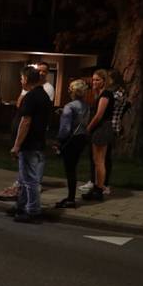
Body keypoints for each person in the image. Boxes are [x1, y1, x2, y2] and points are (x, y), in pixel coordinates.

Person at [9, 66, 52, 223]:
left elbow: (25, 122)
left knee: (29, 179)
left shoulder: (32, 97)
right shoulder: (44, 96)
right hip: (38, 142)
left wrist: (17, 145)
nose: (20, 81)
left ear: (26, 79)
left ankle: (33, 210)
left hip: (29, 144)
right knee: (25, 178)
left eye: (21, 78)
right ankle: (21, 206)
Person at [54, 79, 90, 209]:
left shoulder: (70, 106)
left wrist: (58, 141)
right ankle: (71, 197)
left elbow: (65, 128)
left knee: (69, 169)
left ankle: (70, 199)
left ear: (72, 91)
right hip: (81, 138)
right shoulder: (86, 106)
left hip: (71, 139)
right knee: (73, 168)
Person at [82, 69, 115, 201]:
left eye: (98, 80)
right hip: (100, 129)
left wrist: (88, 128)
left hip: (102, 129)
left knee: (100, 161)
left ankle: (99, 189)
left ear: (104, 81)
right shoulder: (100, 94)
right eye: (93, 79)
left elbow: (99, 115)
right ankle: (96, 187)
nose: (94, 82)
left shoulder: (106, 94)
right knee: (96, 161)